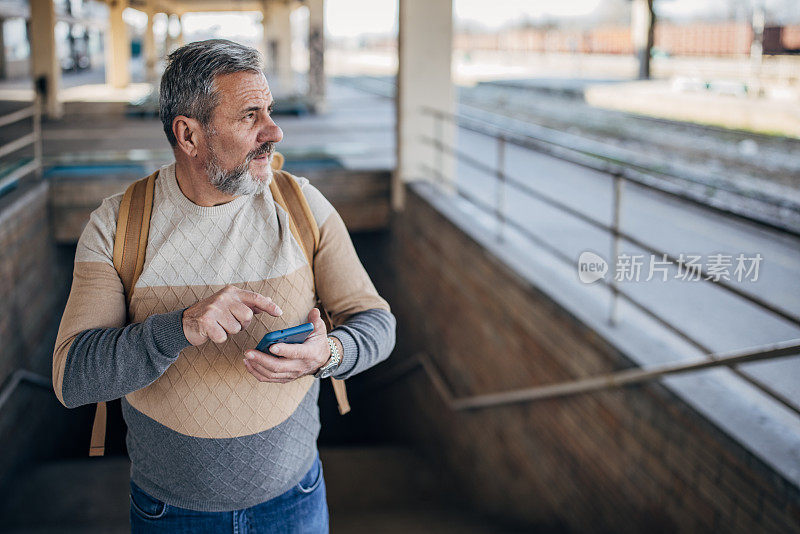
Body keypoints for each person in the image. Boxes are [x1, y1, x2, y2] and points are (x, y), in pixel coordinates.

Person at [52, 39, 396, 533]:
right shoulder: (116, 226)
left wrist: (330, 354)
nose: (274, 131)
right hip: (169, 515)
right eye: (249, 115)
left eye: (269, 110)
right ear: (189, 135)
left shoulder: (304, 208)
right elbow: (72, 377)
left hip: (295, 503)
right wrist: (178, 328)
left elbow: (377, 324)